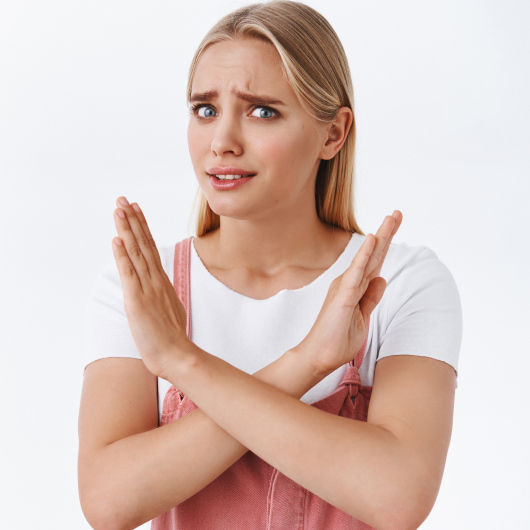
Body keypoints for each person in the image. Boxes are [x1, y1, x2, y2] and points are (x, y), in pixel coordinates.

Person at [78, 1, 462, 529]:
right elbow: (108, 501)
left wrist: (182, 361)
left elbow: (397, 496)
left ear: (333, 133)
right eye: (205, 110)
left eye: (262, 111)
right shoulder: (143, 289)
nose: (222, 142)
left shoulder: (400, 284)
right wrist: (305, 364)